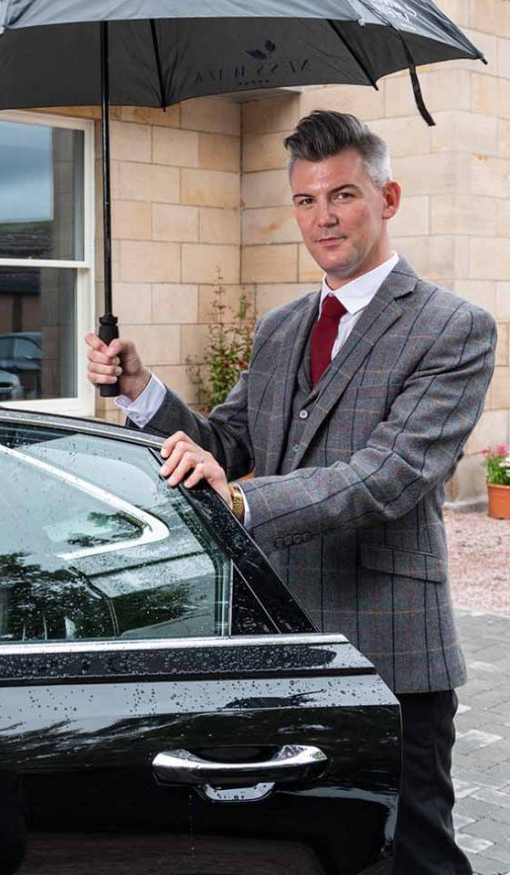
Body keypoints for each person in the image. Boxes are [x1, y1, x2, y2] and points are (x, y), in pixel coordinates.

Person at [86, 110, 496, 875]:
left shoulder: (452, 327)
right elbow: (227, 441)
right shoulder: (280, 328)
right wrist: (141, 391)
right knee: (307, 850)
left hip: (392, 650)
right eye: (306, 200)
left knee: (416, 854)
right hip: (280, 636)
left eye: (342, 195)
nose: (324, 217)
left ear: (389, 196)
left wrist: (245, 503)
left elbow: (392, 473)